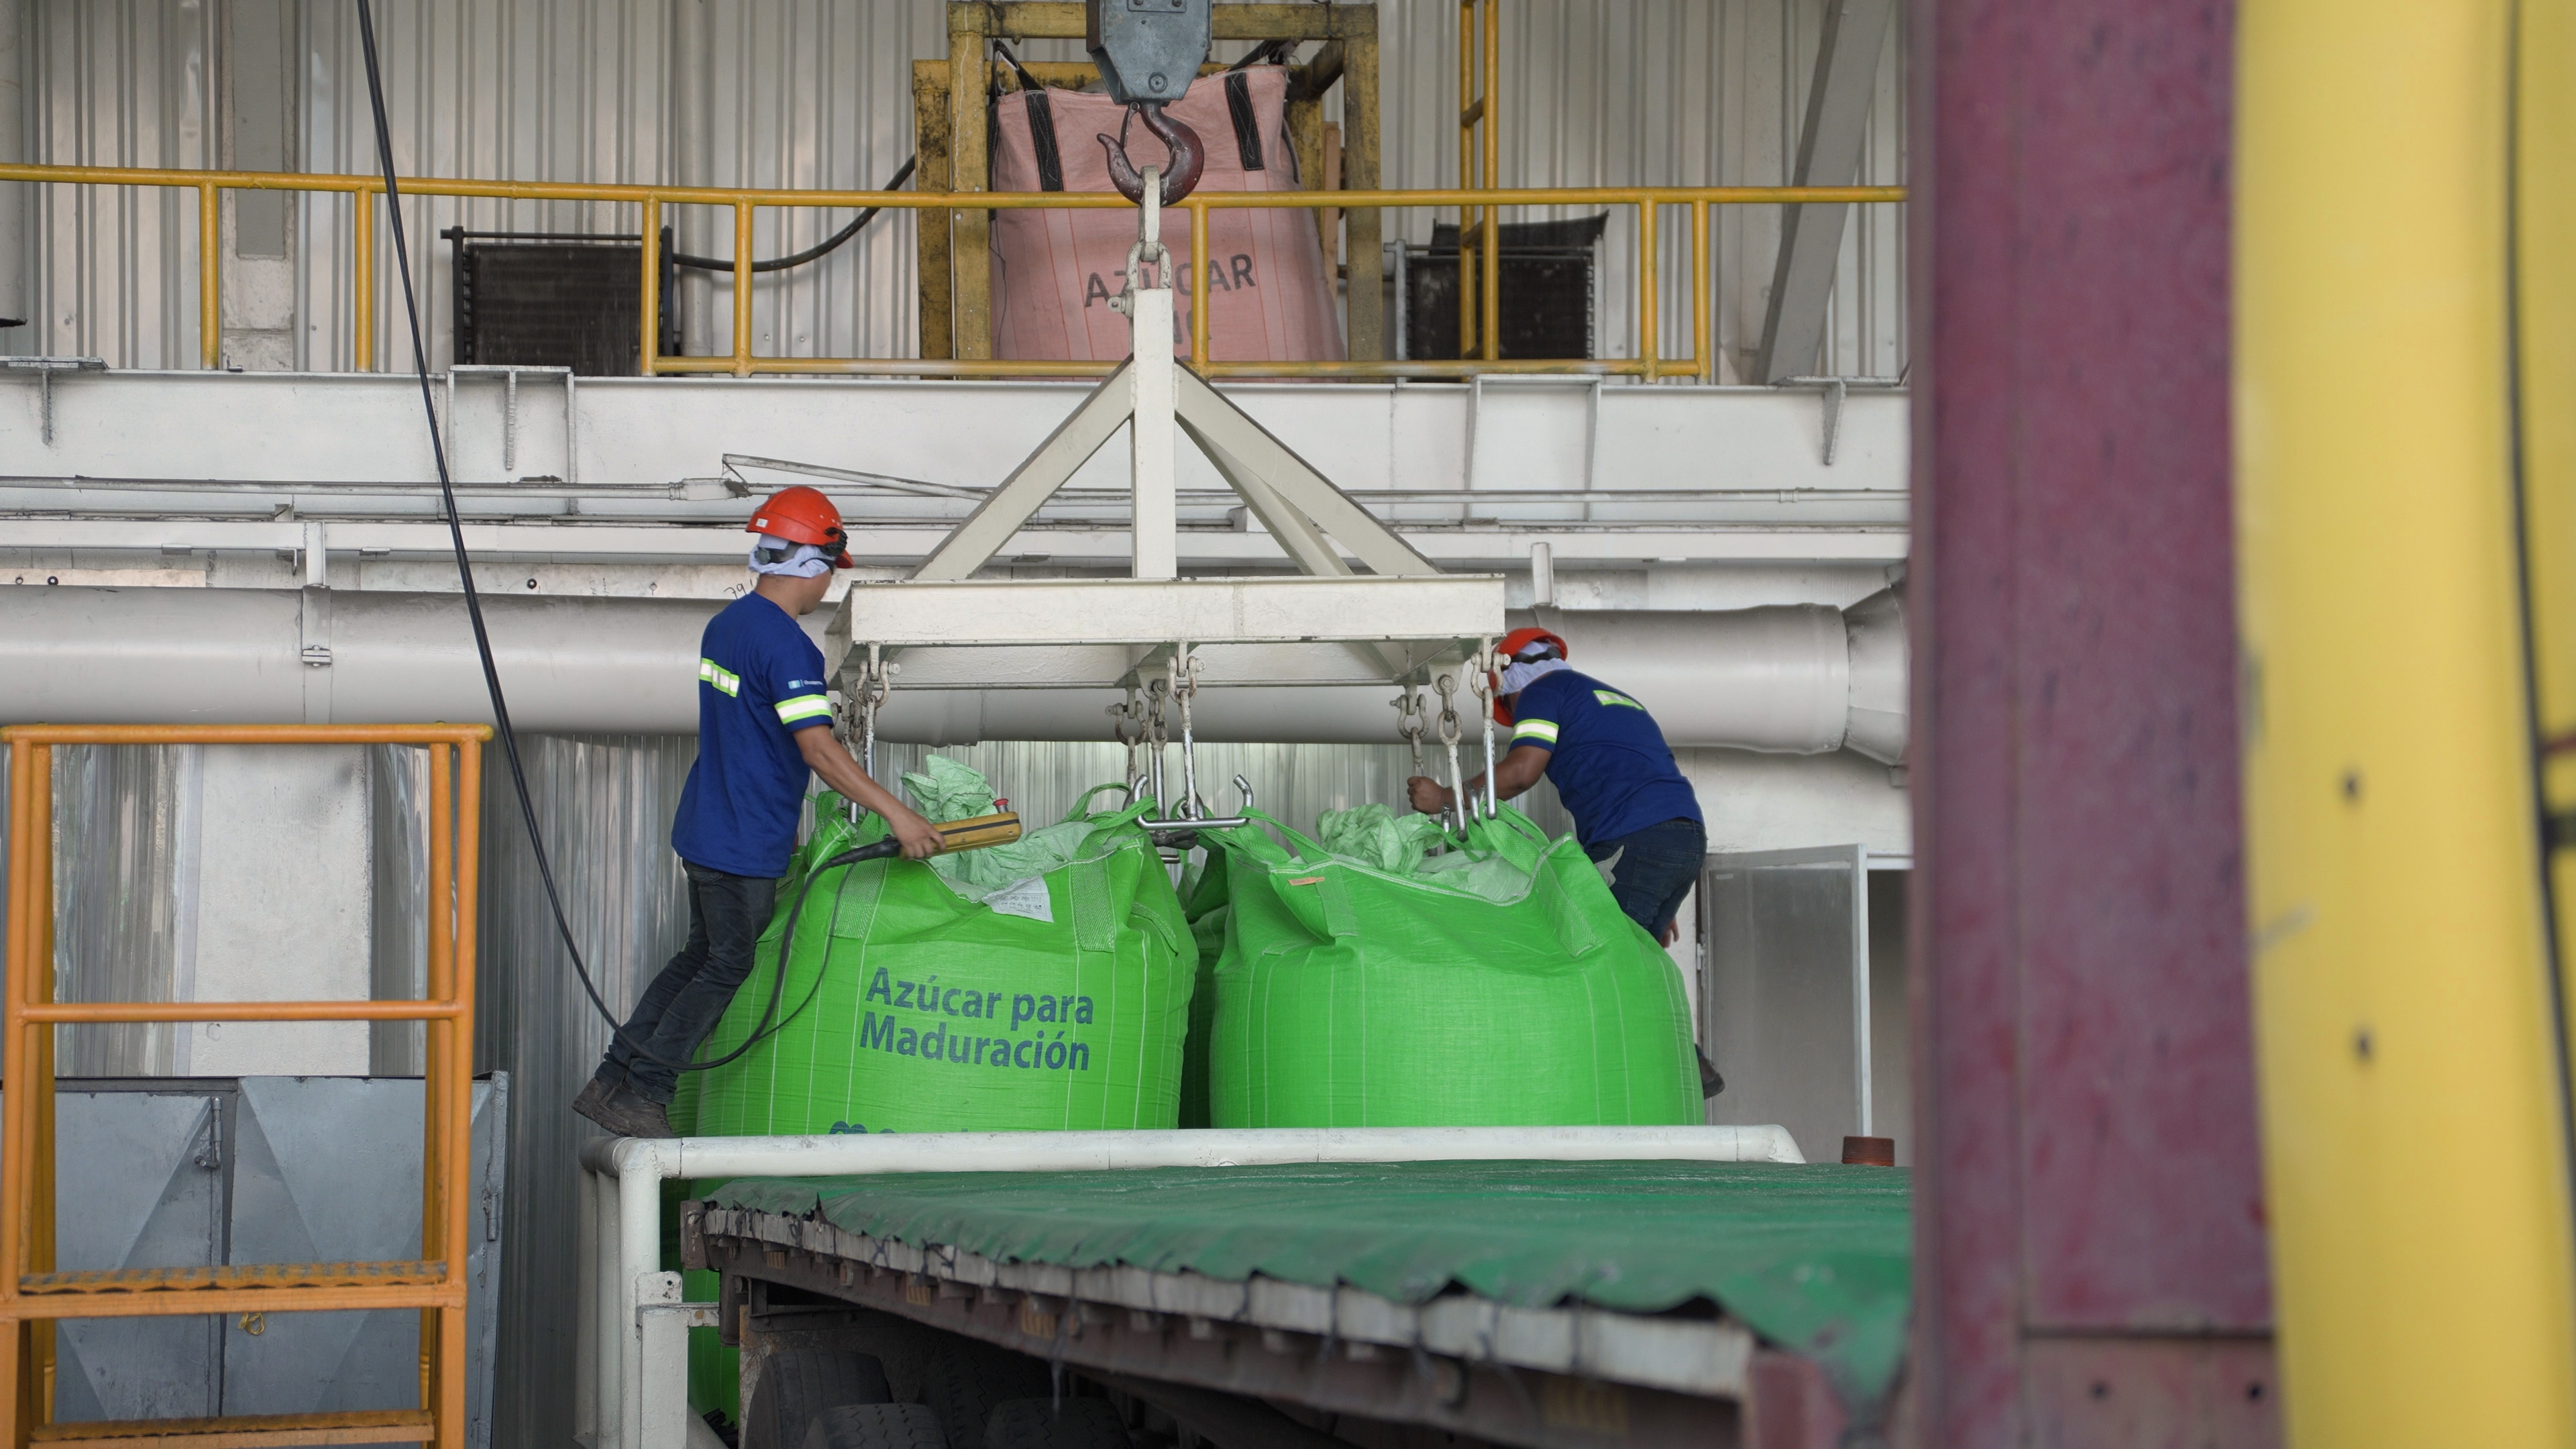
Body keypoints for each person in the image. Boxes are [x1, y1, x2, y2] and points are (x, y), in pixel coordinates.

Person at [572, 486, 942, 1140]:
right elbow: (819, 751)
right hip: (744, 839)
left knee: (698, 957)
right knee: (726, 964)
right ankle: (643, 1093)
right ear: (808, 561)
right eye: (830, 564)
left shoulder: (728, 626)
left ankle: (612, 1079)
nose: (830, 580)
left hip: (707, 826)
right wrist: (898, 814)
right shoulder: (790, 649)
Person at [1407, 627, 1722, 1097]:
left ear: (1507, 680)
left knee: (1596, 954)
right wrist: (1659, 887)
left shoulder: (1542, 692)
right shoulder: (1614, 699)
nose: (1512, 715)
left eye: (1506, 709)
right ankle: (1683, 1067)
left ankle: (1657, 1071)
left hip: (1632, 836)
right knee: (1633, 952)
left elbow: (1522, 771)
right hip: (1682, 838)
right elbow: (1652, 779)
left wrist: (1446, 799)